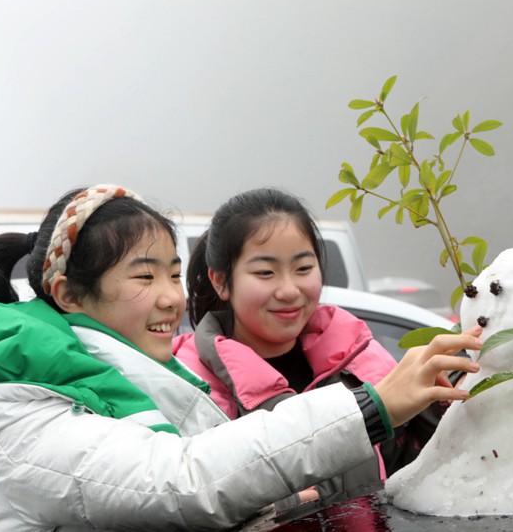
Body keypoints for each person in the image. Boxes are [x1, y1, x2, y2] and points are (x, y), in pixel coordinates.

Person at [0, 184, 481, 532]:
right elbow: (185, 481)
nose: (171, 296)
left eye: (168, 271)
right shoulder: (30, 416)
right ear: (68, 295)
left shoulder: (142, 386)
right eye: (143, 275)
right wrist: (370, 407)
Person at [173, 187, 464, 511]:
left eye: (303, 268)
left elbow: (421, 475)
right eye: (265, 272)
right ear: (221, 281)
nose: (289, 290)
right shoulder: (187, 387)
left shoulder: (361, 360)